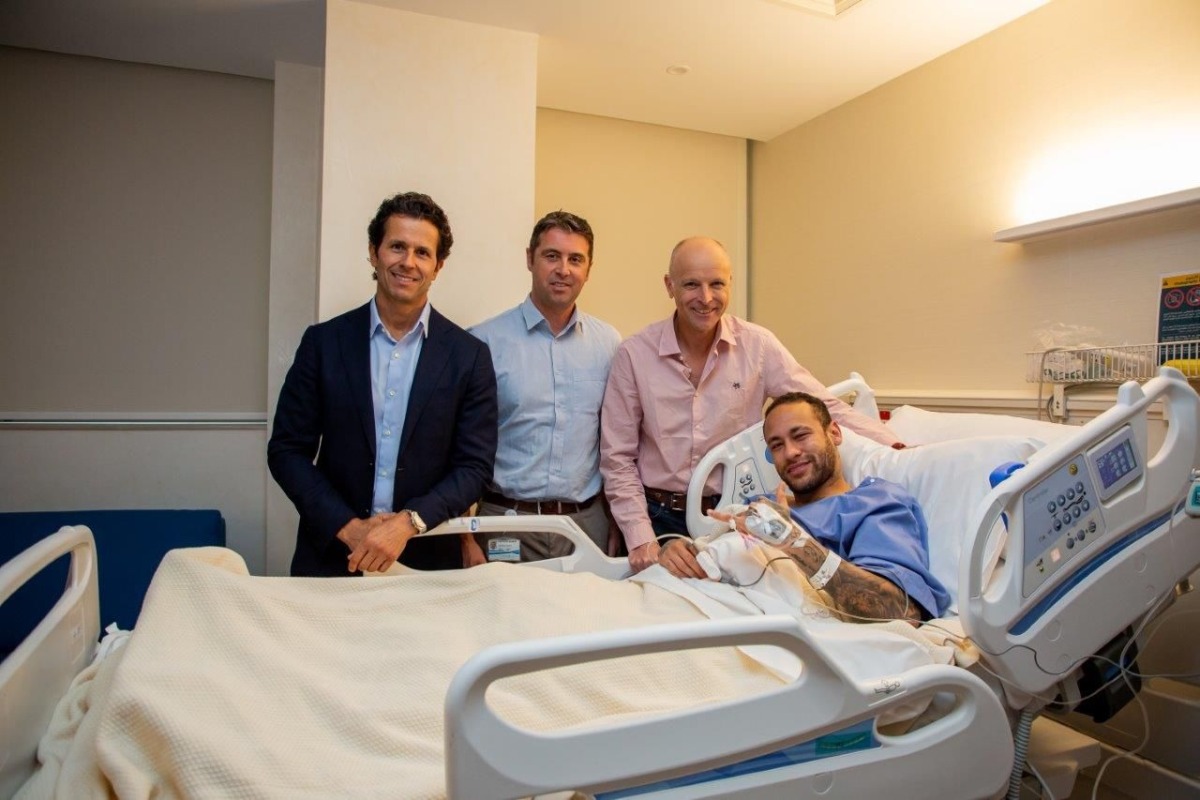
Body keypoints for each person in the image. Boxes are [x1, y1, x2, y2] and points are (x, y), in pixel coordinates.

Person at [600, 236, 903, 573]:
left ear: (730, 283)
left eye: (717, 283)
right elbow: (617, 459)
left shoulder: (757, 346)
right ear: (669, 286)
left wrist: (897, 447)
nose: (706, 298)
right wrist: (641, 539)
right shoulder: (634, 356)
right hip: (660, 520)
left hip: (736, 516)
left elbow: (823, 405)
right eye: (691, 285)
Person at [268, 191, 498, 577]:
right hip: (332, 556)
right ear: (374, 253)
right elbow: (287, 451)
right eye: (397, 247)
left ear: (438, 265)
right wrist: (349, 529)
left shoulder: (468, 356)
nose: (408, 262)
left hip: (425, 560)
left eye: (422, 252)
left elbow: (474, 468)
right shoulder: (323, 344)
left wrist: (407, 524)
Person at [660, 392, 949, 621]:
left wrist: (793, 541)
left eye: (800, 436)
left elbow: (900, 611)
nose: (791, 453)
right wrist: (675, 551)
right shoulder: (761, 507)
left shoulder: (873, 503)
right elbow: (715, 555)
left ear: (834, 433)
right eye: (777, 445)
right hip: (686, 603)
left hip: (754, 627)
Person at [467, 211, 621, 562]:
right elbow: (461, 448)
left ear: (589, 269)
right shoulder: (483, 343)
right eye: (552, 256)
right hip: (506, 525)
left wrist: (616, 520)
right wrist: (464, 538)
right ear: (529, 259)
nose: (563, 269)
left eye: (575, 259)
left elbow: (617, 442)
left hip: (586, 527)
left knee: (589, 618)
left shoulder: (609, 344)